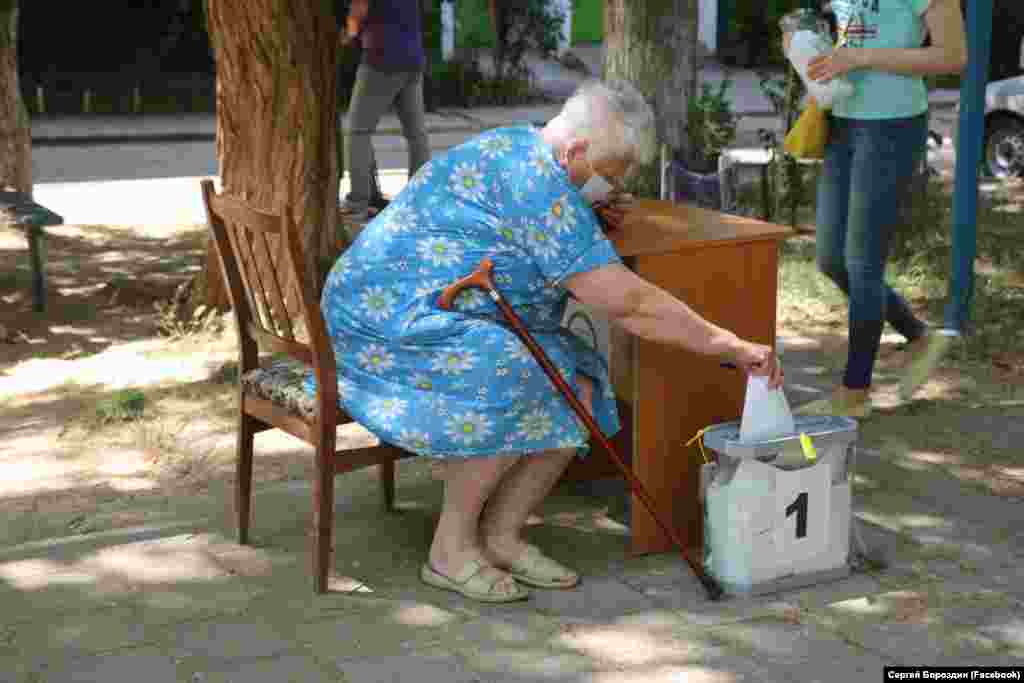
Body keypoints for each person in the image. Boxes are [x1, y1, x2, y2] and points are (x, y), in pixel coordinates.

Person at [309, 80, 784, 603]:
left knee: (577, 379)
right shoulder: (543, 192)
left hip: (430, 304)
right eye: (610, 173)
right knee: (512, 371)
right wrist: (728, 345)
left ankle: (502, 535)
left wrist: (584, 210)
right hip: (382, 322)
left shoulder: (525, 146)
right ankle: (449, 552)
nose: (612, 187)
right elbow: (630, 304)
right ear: (575, 150)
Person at [798, 0, 966, 419]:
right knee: (831, 259)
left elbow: (952, 56)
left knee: (861, 263)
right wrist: (801, 46)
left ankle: (855, 392)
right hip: (842, 119)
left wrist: (861, 57)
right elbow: (841, 30)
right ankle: (919, 335)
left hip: (891, 125)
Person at [340, 0, 430, 228]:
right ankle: (420, 200)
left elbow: (359, 8)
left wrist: (349, 35)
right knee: (416, 134)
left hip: (381, 59)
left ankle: (357, 204)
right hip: (412, 58)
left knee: (358, 132)